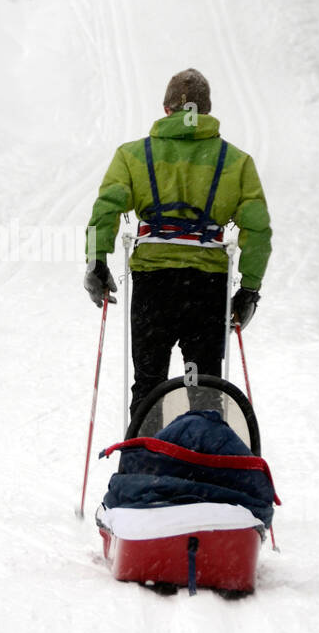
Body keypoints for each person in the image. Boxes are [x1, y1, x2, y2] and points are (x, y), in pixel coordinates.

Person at [83, 69, 271, 418]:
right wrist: (250, 289)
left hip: (153, 285)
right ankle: (200, 458)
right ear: (207, 111)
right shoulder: (237, 162)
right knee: (203, 389)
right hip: (206, 288)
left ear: (166, 109)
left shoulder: (132, 156)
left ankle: (142, 459)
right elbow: (259, 230)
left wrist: (96, 261)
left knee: (149, 386)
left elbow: (104, 208)